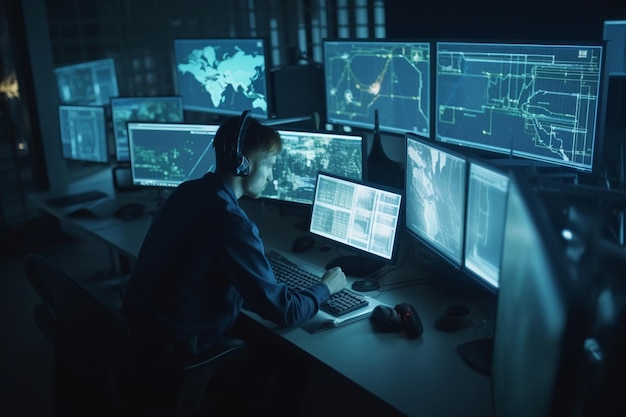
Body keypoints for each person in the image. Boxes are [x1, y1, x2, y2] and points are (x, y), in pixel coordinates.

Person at [119, 110, 347, 415]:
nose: (271, 176)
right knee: (293, 356)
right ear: (244, 164)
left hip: (142, 340)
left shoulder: (188, 191)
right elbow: (285, 311)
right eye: (268, 166)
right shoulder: (232, 225)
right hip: (180, 354)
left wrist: (257, 274)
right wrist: (324, 289)